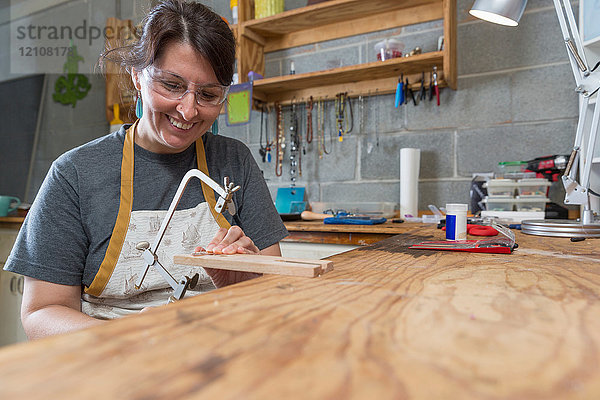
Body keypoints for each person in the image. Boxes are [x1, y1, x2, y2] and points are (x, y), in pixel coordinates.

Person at [4, 0, 288, 339]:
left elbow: (278, 287)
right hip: (111, 361)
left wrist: (249, 280)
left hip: (218, 350)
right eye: (171, 85)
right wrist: (132, 337)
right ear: (138, 76)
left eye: (208, 95)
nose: (188, 110)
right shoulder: (74, 174)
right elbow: (41, 313)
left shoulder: (233, 160)